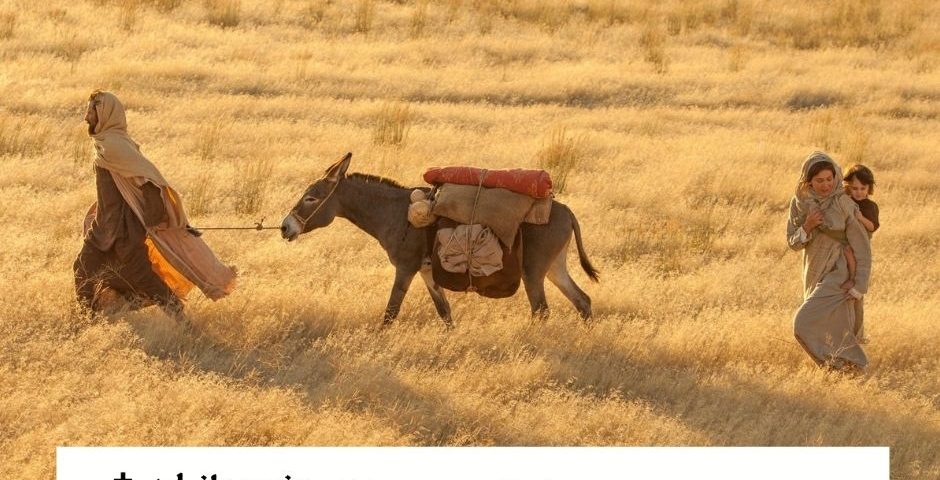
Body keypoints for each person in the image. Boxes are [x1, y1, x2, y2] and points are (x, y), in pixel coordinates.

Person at [74, 90, 237, 318]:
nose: (86, 117)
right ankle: (86, 321)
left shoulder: (115, 146)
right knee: (83, 269)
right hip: (101, 231)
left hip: (125, 232)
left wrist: (155, 217)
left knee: (142, 277)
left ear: (105, 114)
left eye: (91, 110)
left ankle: (178, 314)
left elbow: (149, 181)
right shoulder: (104, 145)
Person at [787, 151, 872, 373]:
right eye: (819, 181)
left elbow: (863, 248)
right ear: (808, 181)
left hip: (841, 274)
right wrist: (807, 226)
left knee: (803, 323)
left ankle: (849, 366)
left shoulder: (844, 203)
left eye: (829, 179)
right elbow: (793, 243)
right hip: (814, 270)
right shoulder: (800, 204)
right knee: (831, 327)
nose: (825, 185)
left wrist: (859, 286)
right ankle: (842, 373)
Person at [840, 164, 879, 342]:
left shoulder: (869, 206)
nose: (858, 192)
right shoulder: (846, 201)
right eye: (854, 188)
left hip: (861, 243)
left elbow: (873, 226)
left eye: (863, 188)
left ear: (869, 188)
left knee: (854, 264)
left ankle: (858, 335)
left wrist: (860, 218)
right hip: (847, 242)